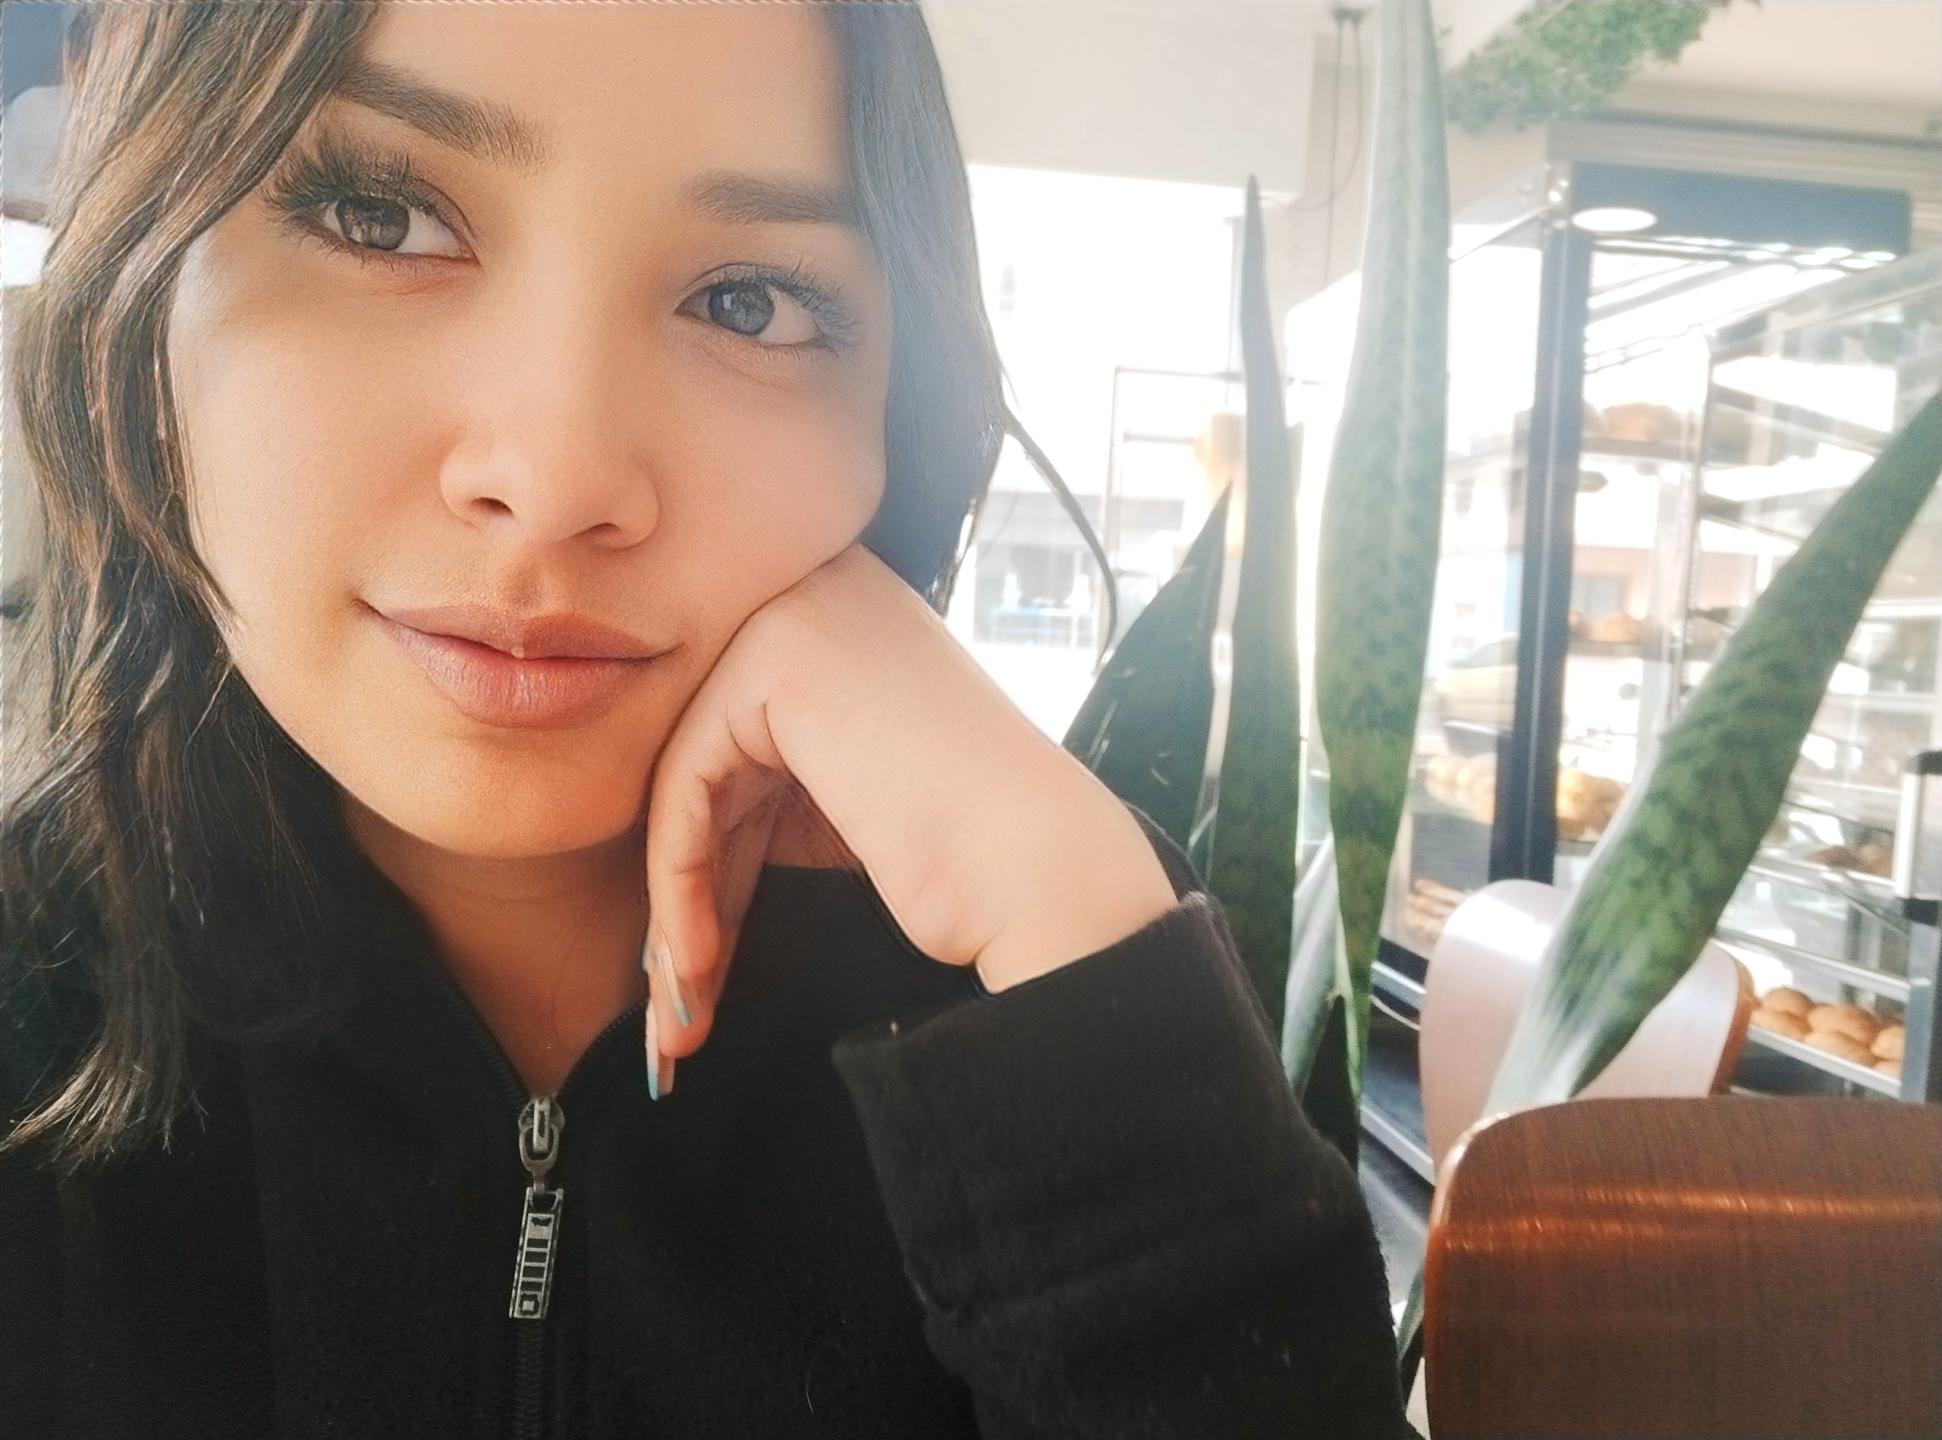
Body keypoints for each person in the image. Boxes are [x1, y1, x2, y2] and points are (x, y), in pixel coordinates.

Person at [0, 2, 1416, 1436]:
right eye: (381, 218)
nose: (556, 476)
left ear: (895, 419)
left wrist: (1075, 936)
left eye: (749, 303)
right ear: (141, 303)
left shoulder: (1042, 956)